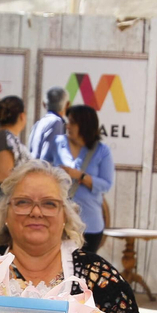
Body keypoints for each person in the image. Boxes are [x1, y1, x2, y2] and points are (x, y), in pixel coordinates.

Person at [0, 159, 150, 313]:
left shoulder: (99, 277)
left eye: (49, 204)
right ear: (6, 214)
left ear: (65, 216)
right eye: (23, 202)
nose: (36, 212)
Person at [62, 104, 114, 253]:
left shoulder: (102, 151)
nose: (68, 126)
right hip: (61, 223)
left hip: (89, 224)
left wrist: (81, 176)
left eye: (72, 122)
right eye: (68, 121)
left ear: (84, 125)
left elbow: (106, 185)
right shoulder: (59, 146)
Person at [0, 95, 28, 226]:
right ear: (22, 116)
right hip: (4, 205)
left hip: (8, 202)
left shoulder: (6, 137)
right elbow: (2, 175)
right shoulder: (4, 137)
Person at [27, 85, 70, 164]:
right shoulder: (56, 122)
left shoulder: (39, 123)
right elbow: (48, 158)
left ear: (43, 104)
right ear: (67, 105)